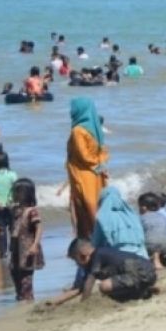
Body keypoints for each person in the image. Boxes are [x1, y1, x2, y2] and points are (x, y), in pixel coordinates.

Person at [54, 239, 157, 304]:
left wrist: (84, 303)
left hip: (140, 271)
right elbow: (80, 288)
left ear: (83, 255)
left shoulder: (97, 255)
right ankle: (144, 289)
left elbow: (89, 284)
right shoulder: (99, 256)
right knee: (110, 289)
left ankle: (142, 292)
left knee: (104, 287)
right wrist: (57, 301)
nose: (77, 264)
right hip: (148, 270)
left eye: (75, 260)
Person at [66, 98, 109, 240]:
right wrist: (100, 165)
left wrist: (94, 163)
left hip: (82, 173)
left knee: (86, 205)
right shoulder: (95, 128)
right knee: (97, 202)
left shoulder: (78, 131)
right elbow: (103, 151)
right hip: (97, 172)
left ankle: (93, 238)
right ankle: (101, 236)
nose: (71, 111)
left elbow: (83, 155)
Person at [8, 178, 44, 301]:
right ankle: (20, 295)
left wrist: (35, 244)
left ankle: (27, 298)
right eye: (14, 192)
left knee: (26, 276)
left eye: (18, 192)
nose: (15, 195)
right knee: (14, 271)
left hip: (27, 248)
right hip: (16, 248)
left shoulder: (32, 211)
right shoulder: (15, 210)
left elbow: (39, 227)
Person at [91, 185, 148, 257]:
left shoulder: (103, 218)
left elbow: (95, 243)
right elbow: (141, 241)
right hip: (141, 256)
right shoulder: (133, 216)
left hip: (119, 257)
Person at [139, 193, 166, 268]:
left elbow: (140, 234)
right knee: (162, 242)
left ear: (144, 208)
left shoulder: (141, 218)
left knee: (151, 245)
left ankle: (156, 260)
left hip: (152, 245)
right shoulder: (162, 216)